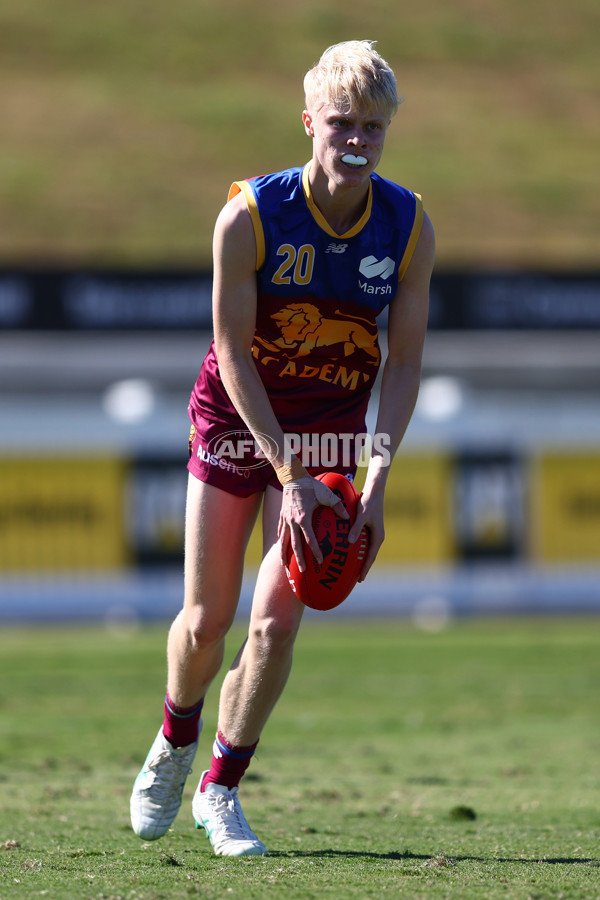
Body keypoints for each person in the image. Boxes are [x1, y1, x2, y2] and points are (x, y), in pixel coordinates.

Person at [130, 39, 435, 857]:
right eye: (342, 123)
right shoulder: (251, 215)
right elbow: (231, 351)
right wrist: (287, 471)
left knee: (275, 625)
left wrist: (374, 479)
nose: (358, 141)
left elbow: (403, 363)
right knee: (206, 624)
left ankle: (221, 787)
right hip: (239, 419)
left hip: (331, 430)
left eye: (373, 126)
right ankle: (176, 734)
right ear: (310, 123)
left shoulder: (408, 225)